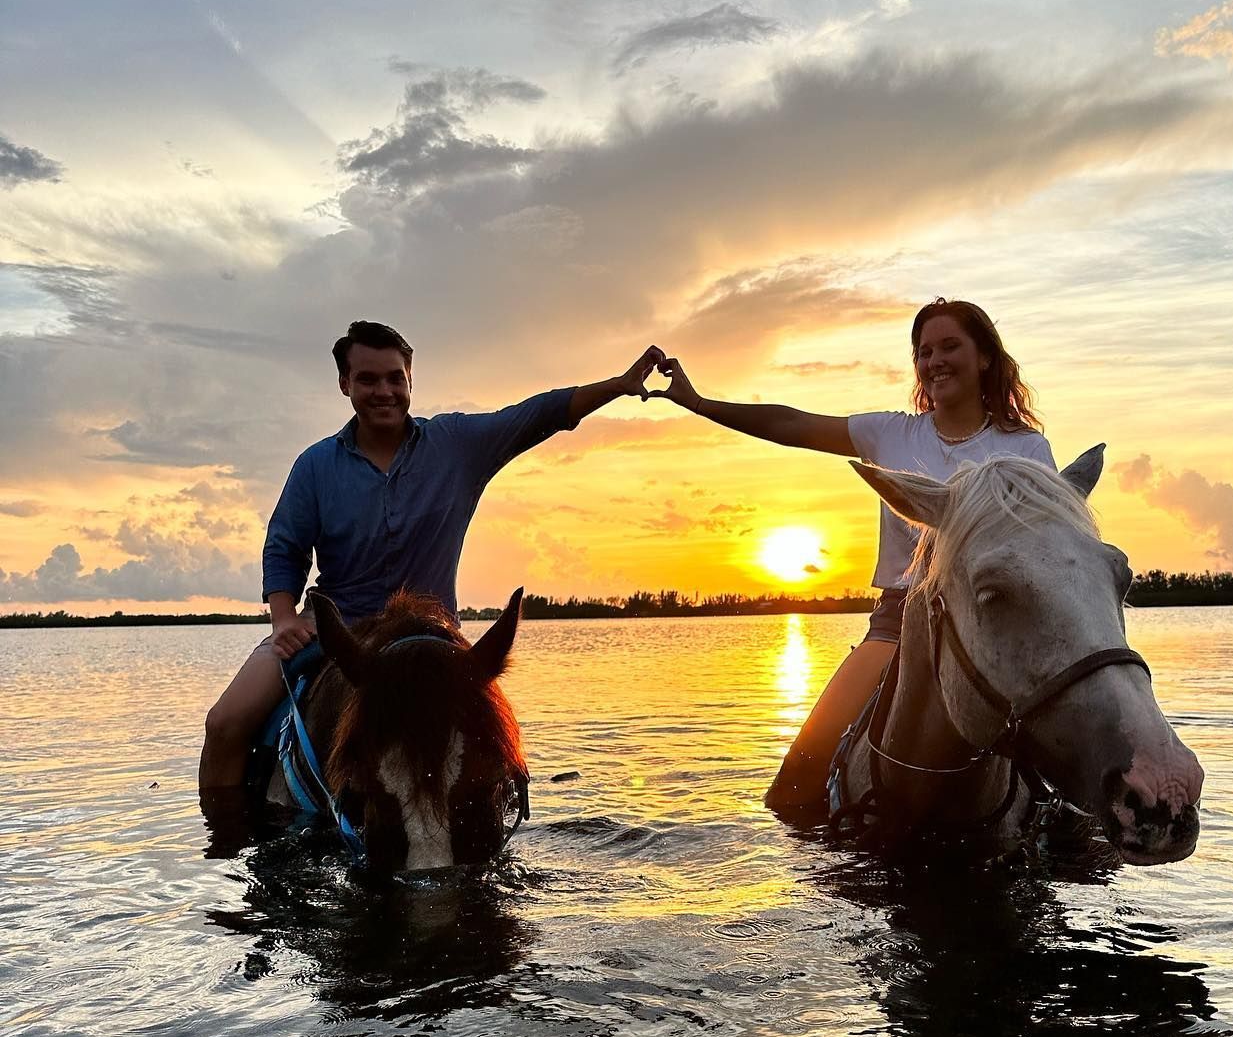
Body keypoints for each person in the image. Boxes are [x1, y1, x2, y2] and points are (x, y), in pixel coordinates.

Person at [199, 319, 665, 795]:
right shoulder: (316, 466)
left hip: (433, 635)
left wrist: (621, 386)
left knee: (504, 755)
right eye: (367, 379)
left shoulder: (456, 446)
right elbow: (285, 546)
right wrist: (282, 619)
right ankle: (226, 839)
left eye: (394, 378)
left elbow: (536, 415)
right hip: (337, 630)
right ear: (345, 384)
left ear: (409, 379)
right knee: (225, 724)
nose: (384, 391)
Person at [648, 298, 1057, 817]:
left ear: (984, 358)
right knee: (797, 780)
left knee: (1070, 767)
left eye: (950, 346)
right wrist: (701, 403)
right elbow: (793, 424)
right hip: (900, 619)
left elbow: (1045, 553)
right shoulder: (892, 434)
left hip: (995, 623)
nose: (935, 361)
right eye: (924, 352)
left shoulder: (1026, 449)